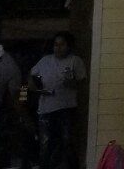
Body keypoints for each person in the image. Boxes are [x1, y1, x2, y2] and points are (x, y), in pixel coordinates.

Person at [29, 31, 89, 169]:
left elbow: (82, 83)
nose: (58, 48)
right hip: (46, 108)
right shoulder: (45, 60)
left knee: (67, 141)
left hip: (66, 108)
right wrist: (33, 88)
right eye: (56, 45)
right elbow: (31, 76)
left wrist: (71, 83)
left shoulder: (75, 61)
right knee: (46, 142)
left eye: (62, 45)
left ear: (69, 46)